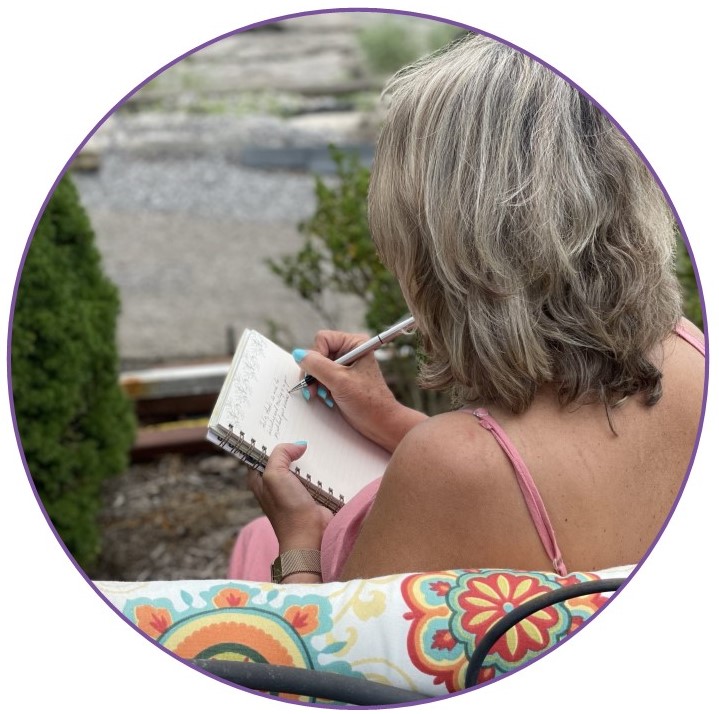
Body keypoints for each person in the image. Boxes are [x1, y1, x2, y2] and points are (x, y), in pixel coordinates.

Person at [228, 33, 704, 585]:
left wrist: (298, 543)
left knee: (254, 542)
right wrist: (388, 419)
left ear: (451, 262)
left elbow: (333, 659)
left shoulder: (451, 469)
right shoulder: (688, 347)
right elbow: (523, 465)